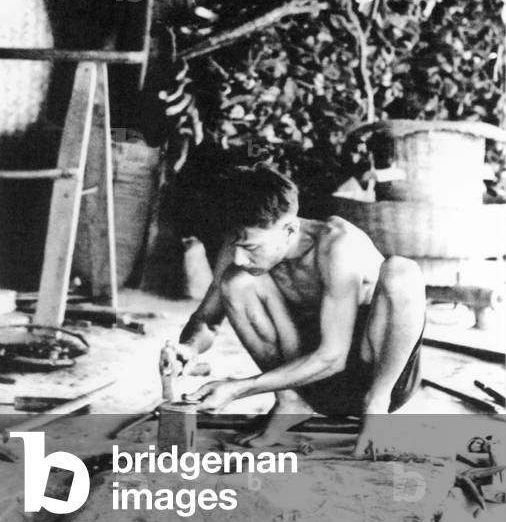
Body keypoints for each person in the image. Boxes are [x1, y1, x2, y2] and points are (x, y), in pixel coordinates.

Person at [173, 164, 425, 455]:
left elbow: (334, 356)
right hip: (311, 381)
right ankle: (291, 401)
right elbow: (207, 320)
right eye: (236, 245)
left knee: (401, 271)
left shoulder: (337, 245)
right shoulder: (240, 244)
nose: (239, 257)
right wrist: (188, 349)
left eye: (251, 248)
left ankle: (376, 407)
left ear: (289, 228)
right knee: (236, 281)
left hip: (376, 376)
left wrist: (238, 388)